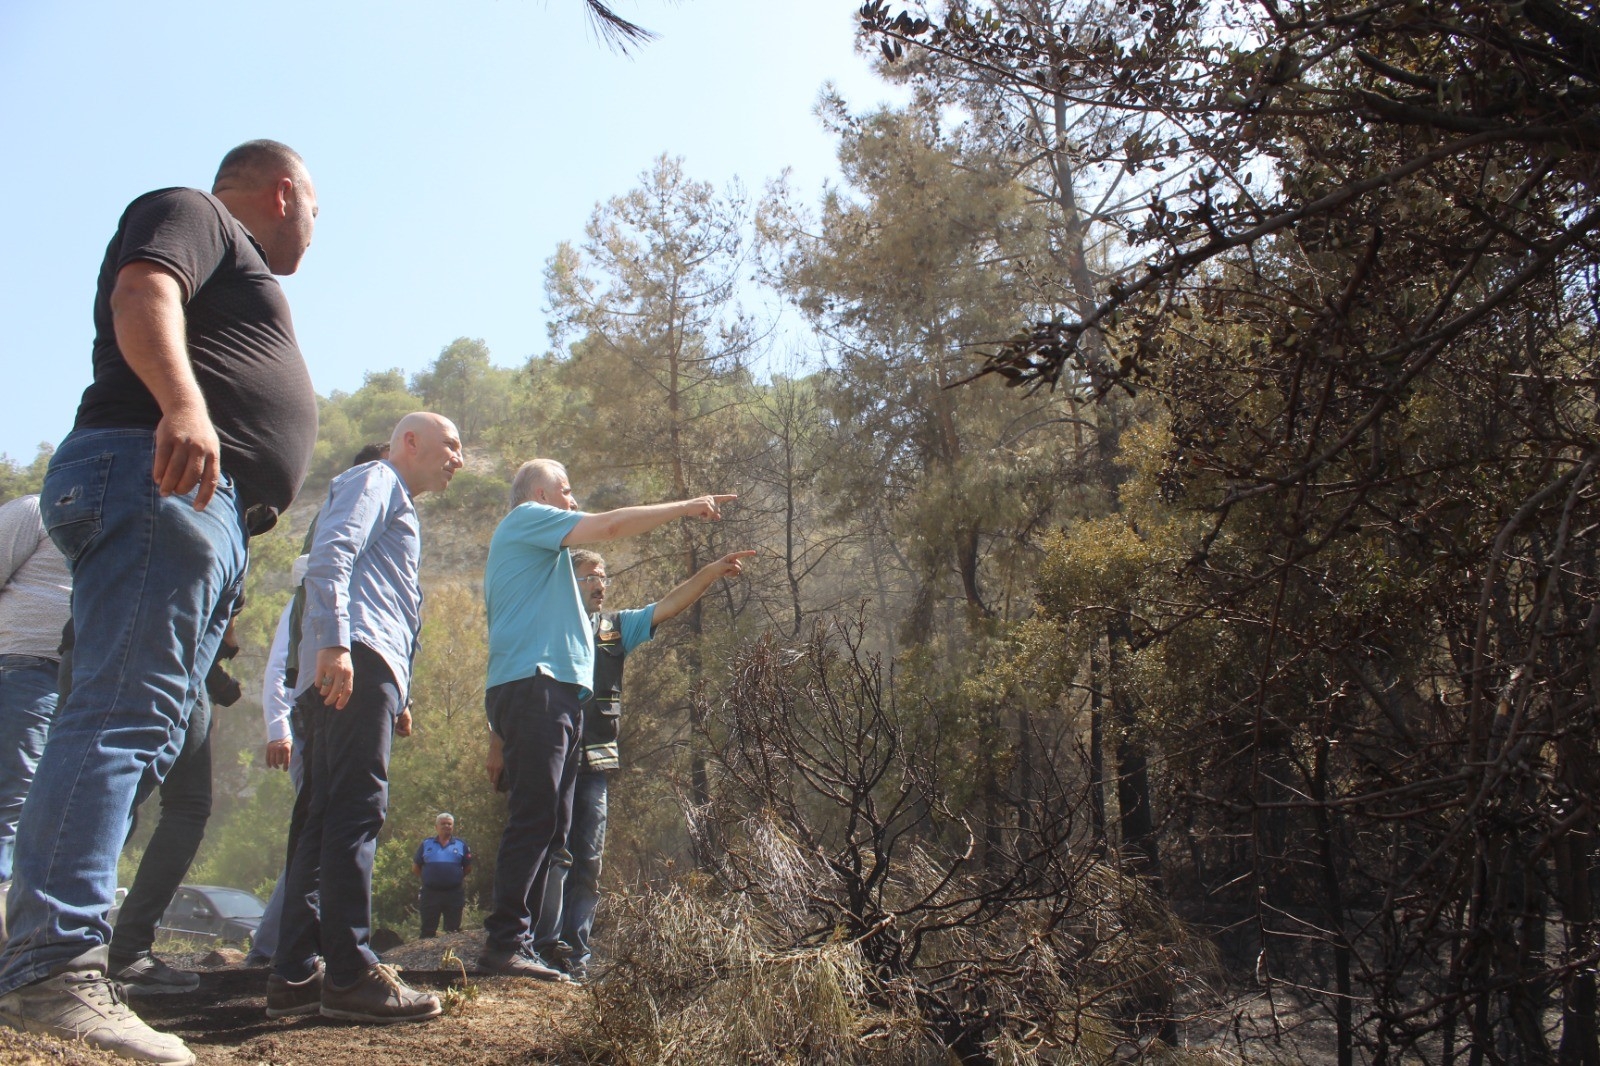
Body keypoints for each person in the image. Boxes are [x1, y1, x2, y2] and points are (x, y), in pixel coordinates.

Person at [0, 140, 320, 1066]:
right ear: (284, 191)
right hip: (160, 475)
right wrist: (185, 406)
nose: (314, 230)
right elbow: (143, 290)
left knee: (140, 728)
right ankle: (52, 966)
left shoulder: (231, 252)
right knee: (118, 715)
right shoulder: (196, 210)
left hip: (197, 507)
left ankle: (47, 939)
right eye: (316, 210)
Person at [478, 458, 733, 978]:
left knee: (552, 825)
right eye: (566, 490)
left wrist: (708, 572)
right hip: (537, 687)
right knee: (535, 817)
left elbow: (655, 607)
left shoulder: (555, 580)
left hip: (554, 695)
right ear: (540, 494)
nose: (573, 501)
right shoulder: (526, 518)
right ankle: (506, 943)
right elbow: (611, 526)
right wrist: (687, 506)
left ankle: (532, 945)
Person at [268, 413, 462, 1025]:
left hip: (360, 665)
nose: (459, 459)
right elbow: (333, 552)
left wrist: (400, 694)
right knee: (357, 808)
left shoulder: (394, 498)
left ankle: (294, 971)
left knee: (321, 814)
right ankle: (351, 973)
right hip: (354, 659)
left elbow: (394, 601)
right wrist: (335, 643)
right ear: (411, 442)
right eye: (450, 445)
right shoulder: (377, 479)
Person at [523, 547, 754, 981]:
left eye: (604, 577)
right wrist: (498, 744)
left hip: (595, 766)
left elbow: (667, 605)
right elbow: (510, 680)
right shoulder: (544, 627)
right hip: (553, 761)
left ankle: (577, 957)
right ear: (567, 583)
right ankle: (543, 948)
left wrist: (709, 572)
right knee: (553, 854)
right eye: (591, 577)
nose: (600, 585)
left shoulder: (614, 629)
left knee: (589, 861)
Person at [247, 441, 389, 968]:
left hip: (323, 707)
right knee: (322, 826)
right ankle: (276, 950)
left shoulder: (355, 581)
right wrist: (278, 727)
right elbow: (283, 660)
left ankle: (292, 951)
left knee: (324, 826)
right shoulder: (319, 582)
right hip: (313, 714)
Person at [0, 494, 71, 887]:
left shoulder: (127, 528)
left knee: (51, 808)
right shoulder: (38, 510)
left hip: (85, 685)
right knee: (13, 797)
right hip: (25, 667)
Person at [412, 813, 471, 938]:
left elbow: (467, 868)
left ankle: (450, 951)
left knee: (453, 931)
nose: (446, 826)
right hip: (430, 894)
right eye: (443, 823)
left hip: (454, 894)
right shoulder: (426, 844)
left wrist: (453, 879)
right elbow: (416, 867)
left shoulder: (461, 845)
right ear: (436, 827)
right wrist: (429, 879)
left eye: (449, 824)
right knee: (427, 931)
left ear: (453, 826)